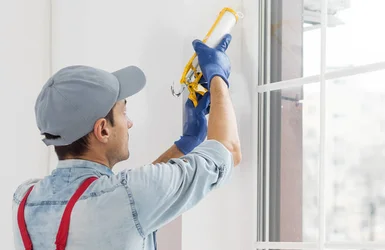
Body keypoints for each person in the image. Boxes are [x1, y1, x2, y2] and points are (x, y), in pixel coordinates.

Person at [11, 34, 241, 250]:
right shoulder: (128, 197)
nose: (129, 123)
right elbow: (228, 152)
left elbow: (127, 203)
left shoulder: (24, 198)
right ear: (102, 129)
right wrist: (218, 79)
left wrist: (185, 144)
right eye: (124, 112)